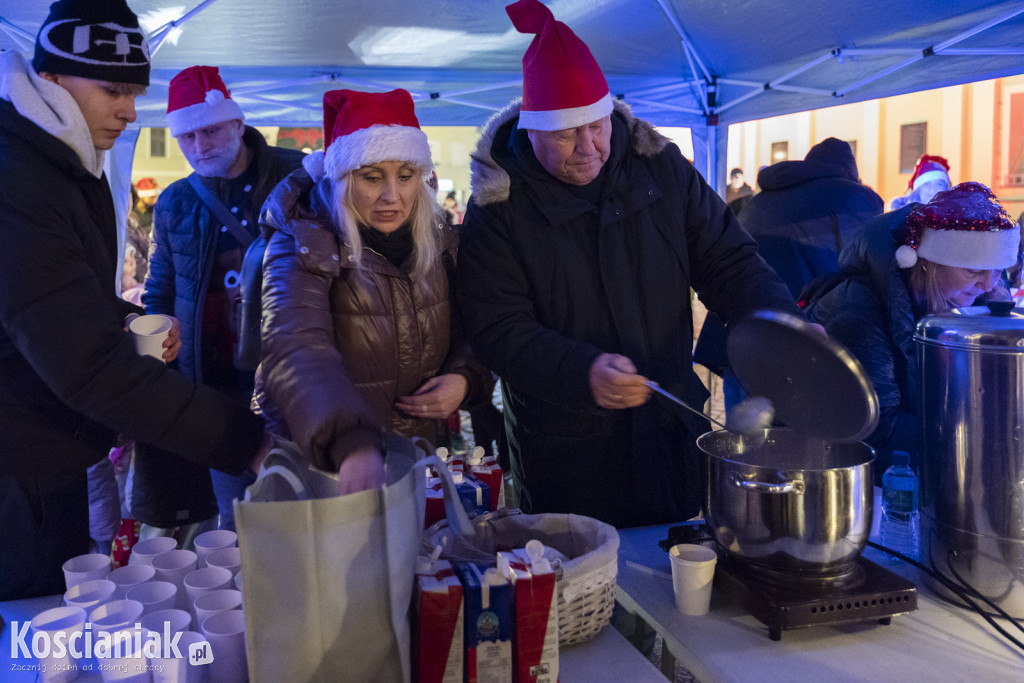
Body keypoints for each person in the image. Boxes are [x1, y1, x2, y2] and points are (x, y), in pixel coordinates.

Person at [454, 0, 801, 528]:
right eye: (566, 134)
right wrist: (581, 371)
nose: (588, 147)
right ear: (532, 131)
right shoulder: (500, 206)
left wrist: (783, 325)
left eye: (597, 126)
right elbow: (497, 325)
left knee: (674, 563)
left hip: (668, 423)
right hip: (565, 448)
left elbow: (728, 260)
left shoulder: (660, 169)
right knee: (579, 569)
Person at [0, 0, 266, 600]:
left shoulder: (61, 162)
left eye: (135, 92)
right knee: (34, 621)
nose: (129, 111)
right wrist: (248, 440)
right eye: (113, 90)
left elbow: (59, 299)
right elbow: (82, 360)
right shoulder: (21, 176)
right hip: (21, 462)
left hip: (47, 447)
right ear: (52, 77)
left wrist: (127, 319)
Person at [257, 88, 493, 493]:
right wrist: (350, 441)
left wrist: (465, 378)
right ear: (342, 177)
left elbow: (478, 325)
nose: (391, 195)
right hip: (324, 461)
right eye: (371, 177)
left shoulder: (440, 242)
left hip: (412, 455)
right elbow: (295, 345)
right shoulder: (302, 239)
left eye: (405, 176)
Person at [135, 65, 305, 537]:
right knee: (237, 522)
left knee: (306, 510)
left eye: (210, 130)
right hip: (217, 389)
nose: (200, 146)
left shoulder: (298, 176)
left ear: (237, 122)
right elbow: (160, 290)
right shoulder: (175, 200)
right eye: (187, 137)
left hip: (298, 379)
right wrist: (153, 354)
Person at [803, 182, 1019, 480]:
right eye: (973, 271)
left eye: (997, 271)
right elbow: (879, 431)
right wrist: (990, 448)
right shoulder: (859, 310)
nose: (988, 284)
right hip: (845, 474)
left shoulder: (977, 297)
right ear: (930, 264)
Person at [694, 138, 883, 408]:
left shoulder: (762, 198)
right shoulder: (854, 196)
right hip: (793, 336)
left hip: (735, 334)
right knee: (792, 429)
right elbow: (871, 263)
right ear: (850, 172)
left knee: (743, 428)